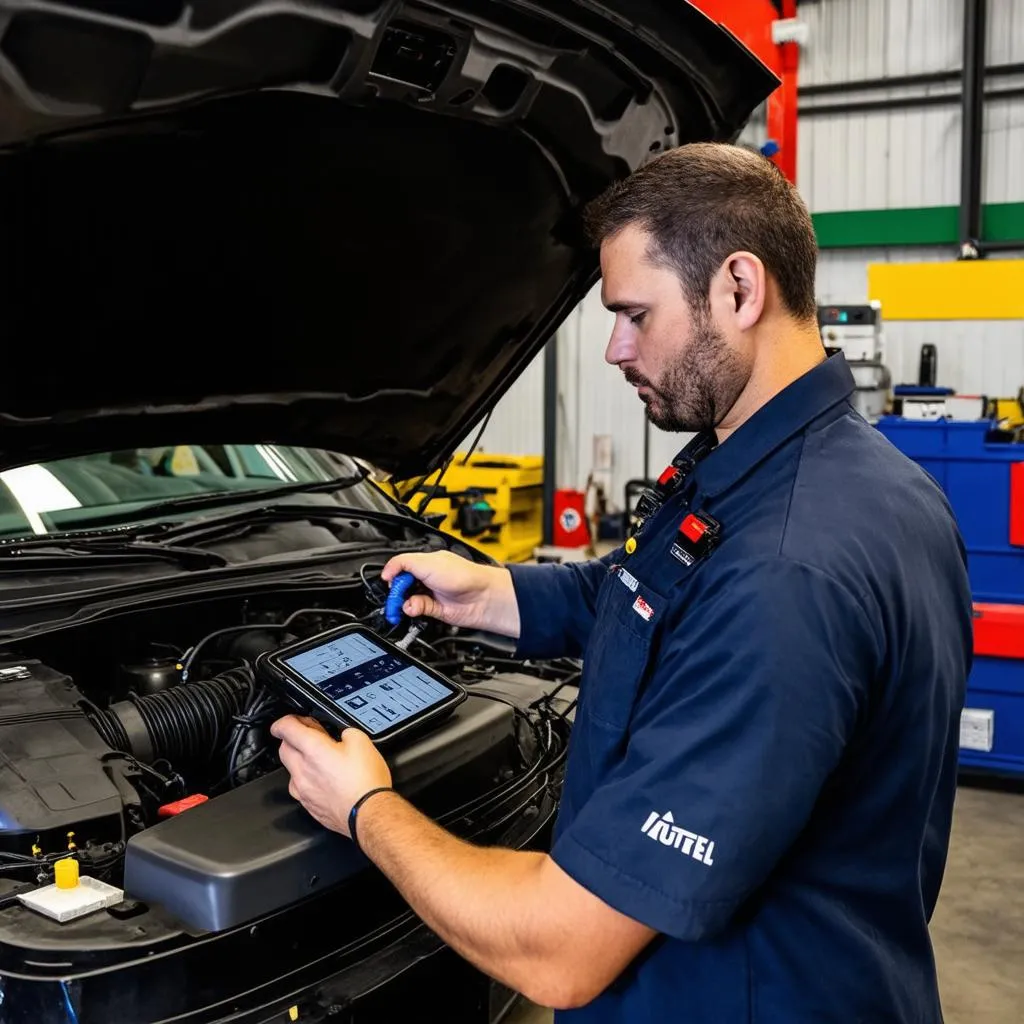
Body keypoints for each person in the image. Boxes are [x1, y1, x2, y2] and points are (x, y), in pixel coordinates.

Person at [271, 143, 973, 1022]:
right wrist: (492, 593)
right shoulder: (849, 481)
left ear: (740, 289)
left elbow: (559, 953)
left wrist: (365, 808)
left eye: (635, 313)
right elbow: (651, 594)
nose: (614, 348)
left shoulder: (787, 576)